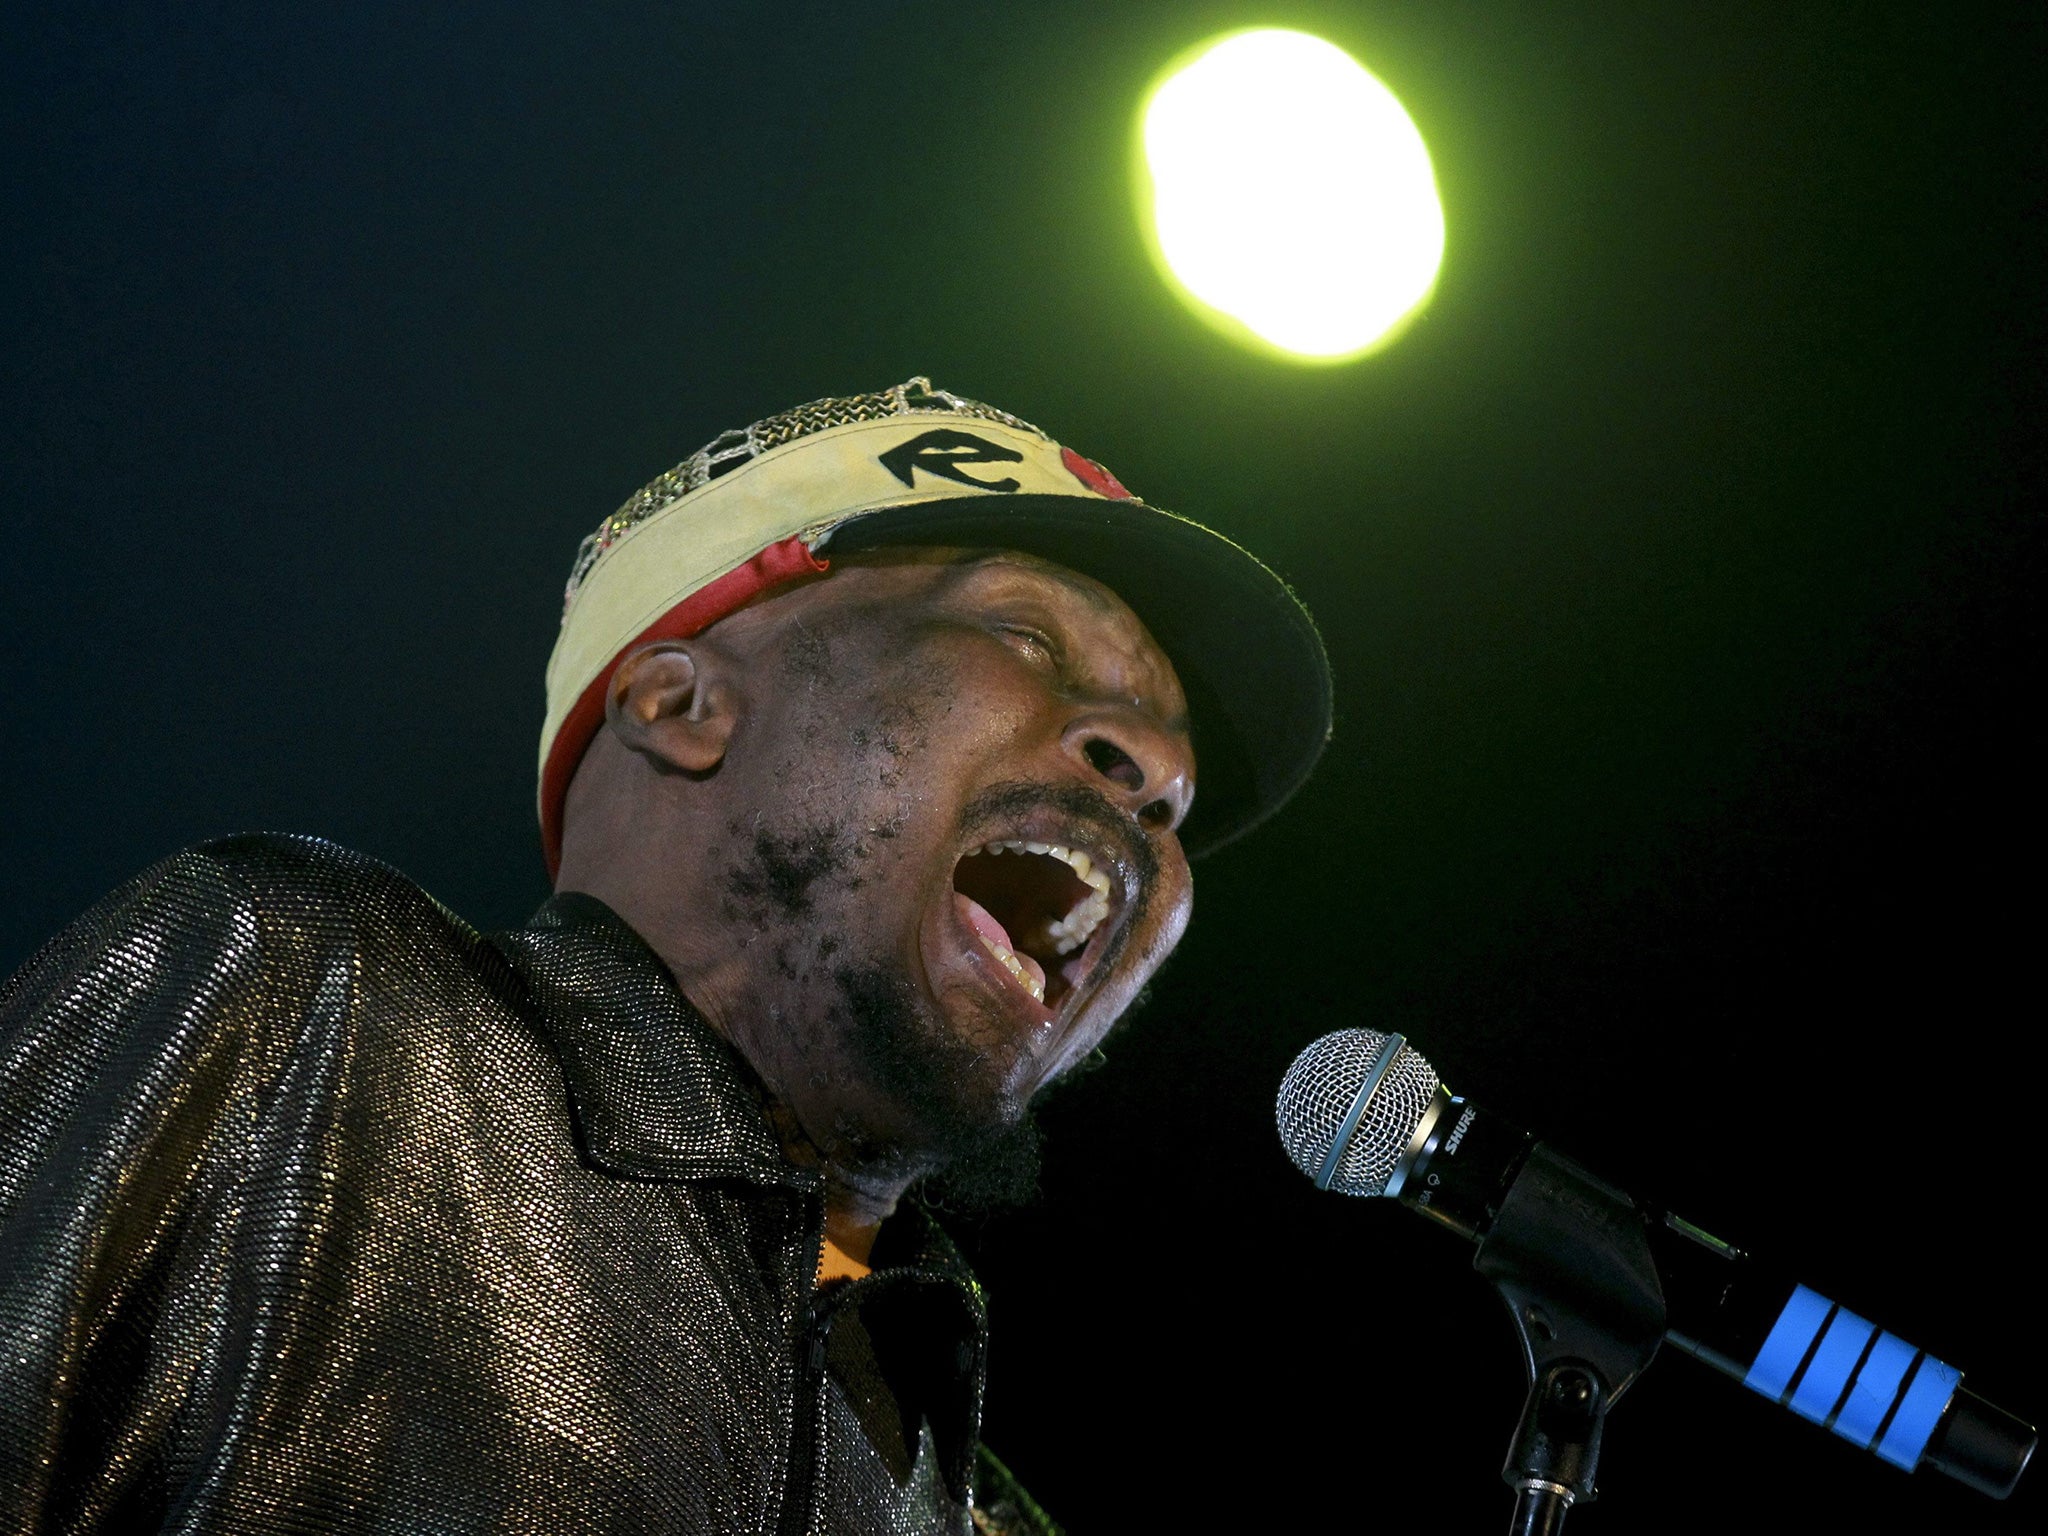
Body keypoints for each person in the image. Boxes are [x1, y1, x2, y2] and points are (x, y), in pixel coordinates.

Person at [0, 379, 1331, 1534]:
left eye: (1178, 792)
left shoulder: (968, 1501)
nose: (1154, 775)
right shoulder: (310, 1012)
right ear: (679, 704)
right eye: (1027, 636)